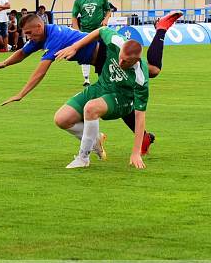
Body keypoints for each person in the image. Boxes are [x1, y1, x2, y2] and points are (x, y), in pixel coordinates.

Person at [0, 11, 182, 157]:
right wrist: (4, 63)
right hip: (99, 60)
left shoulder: (53, 37)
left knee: (152, 71)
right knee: (124, 93)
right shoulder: (41, 36)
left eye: (29, 33)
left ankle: (161, 28)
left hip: (106, 53)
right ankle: (142, 139)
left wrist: (22, 93)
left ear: (39, 27)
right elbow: (22, 52)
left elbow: (41, 70)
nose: (28, 37)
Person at [53, 27, 149, 170]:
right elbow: (101, 30)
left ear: (136, 60)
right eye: (120, 57)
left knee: (91, 108)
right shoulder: (116, 41)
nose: (120, 62)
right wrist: (74, 47)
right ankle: (95, 140)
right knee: (61, 119)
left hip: (121, 100)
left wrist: (136, 153)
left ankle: (83, 158)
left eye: (126, 62)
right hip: (101, 86)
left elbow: (140, 117)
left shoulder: (140, 77)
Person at [72, 0, 111, 87]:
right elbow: (74, 16)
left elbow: (108, 10)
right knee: (85, 53)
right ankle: (86, 79)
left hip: (100, 31)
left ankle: (104, 76)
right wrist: (76, 31)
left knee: (103, 53)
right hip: (85, 31)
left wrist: (106, 19)